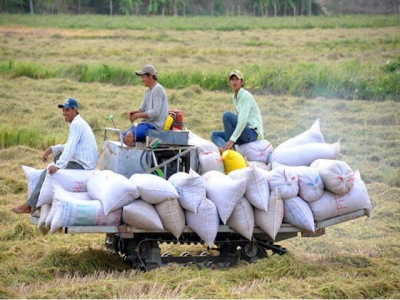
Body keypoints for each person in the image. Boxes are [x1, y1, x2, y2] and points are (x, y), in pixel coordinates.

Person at [11, 98, 99, 214]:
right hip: (84, 160)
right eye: (63, 110)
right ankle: (39, 201)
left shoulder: (77, 124)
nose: (64, 113)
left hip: (83, 164)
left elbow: (71, 147)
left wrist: (59, 166)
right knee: (57, 158)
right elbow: (71, 146)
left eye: (67, 110)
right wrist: (53, 149)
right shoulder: (78, 123)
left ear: (74, 110)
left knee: (47, 173)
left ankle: (30, 205)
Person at [211, 70, 264, 152]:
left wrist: (232, 140)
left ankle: (231, 150)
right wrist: (232, 137)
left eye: (236, 79)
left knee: (227, 115)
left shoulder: (245, 96)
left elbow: (242, 121)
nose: (234, 82)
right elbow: (236, 122)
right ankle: (226, 149)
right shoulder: (235, 97)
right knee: (214, 135)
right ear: (230, 82)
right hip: (243, 133)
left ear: (241, 82)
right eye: (232, 80)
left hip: (252, 133)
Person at [122, 64, 169, 147]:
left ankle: (132, 159)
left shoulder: (158, 89)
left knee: (129, 136)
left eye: (143, 77)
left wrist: (138, 115)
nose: (142, 80)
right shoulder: (147, 91)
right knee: (122, 137)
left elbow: (156, 112)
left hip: (154, 126)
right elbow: (142, 109)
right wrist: (134, 112)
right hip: (146, 124)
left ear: (150, 76)